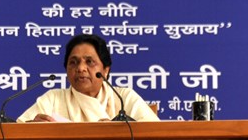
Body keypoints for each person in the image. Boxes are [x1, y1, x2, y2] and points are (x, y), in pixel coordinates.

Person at [18, 34, 159, 122]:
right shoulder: (53, 98)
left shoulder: (123, 98)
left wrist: (117, 134)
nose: (80, 68)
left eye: (89, 62)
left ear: (106, 70)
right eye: (73, 62)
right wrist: (33, 126)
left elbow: (153, 134)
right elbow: (19, 132)